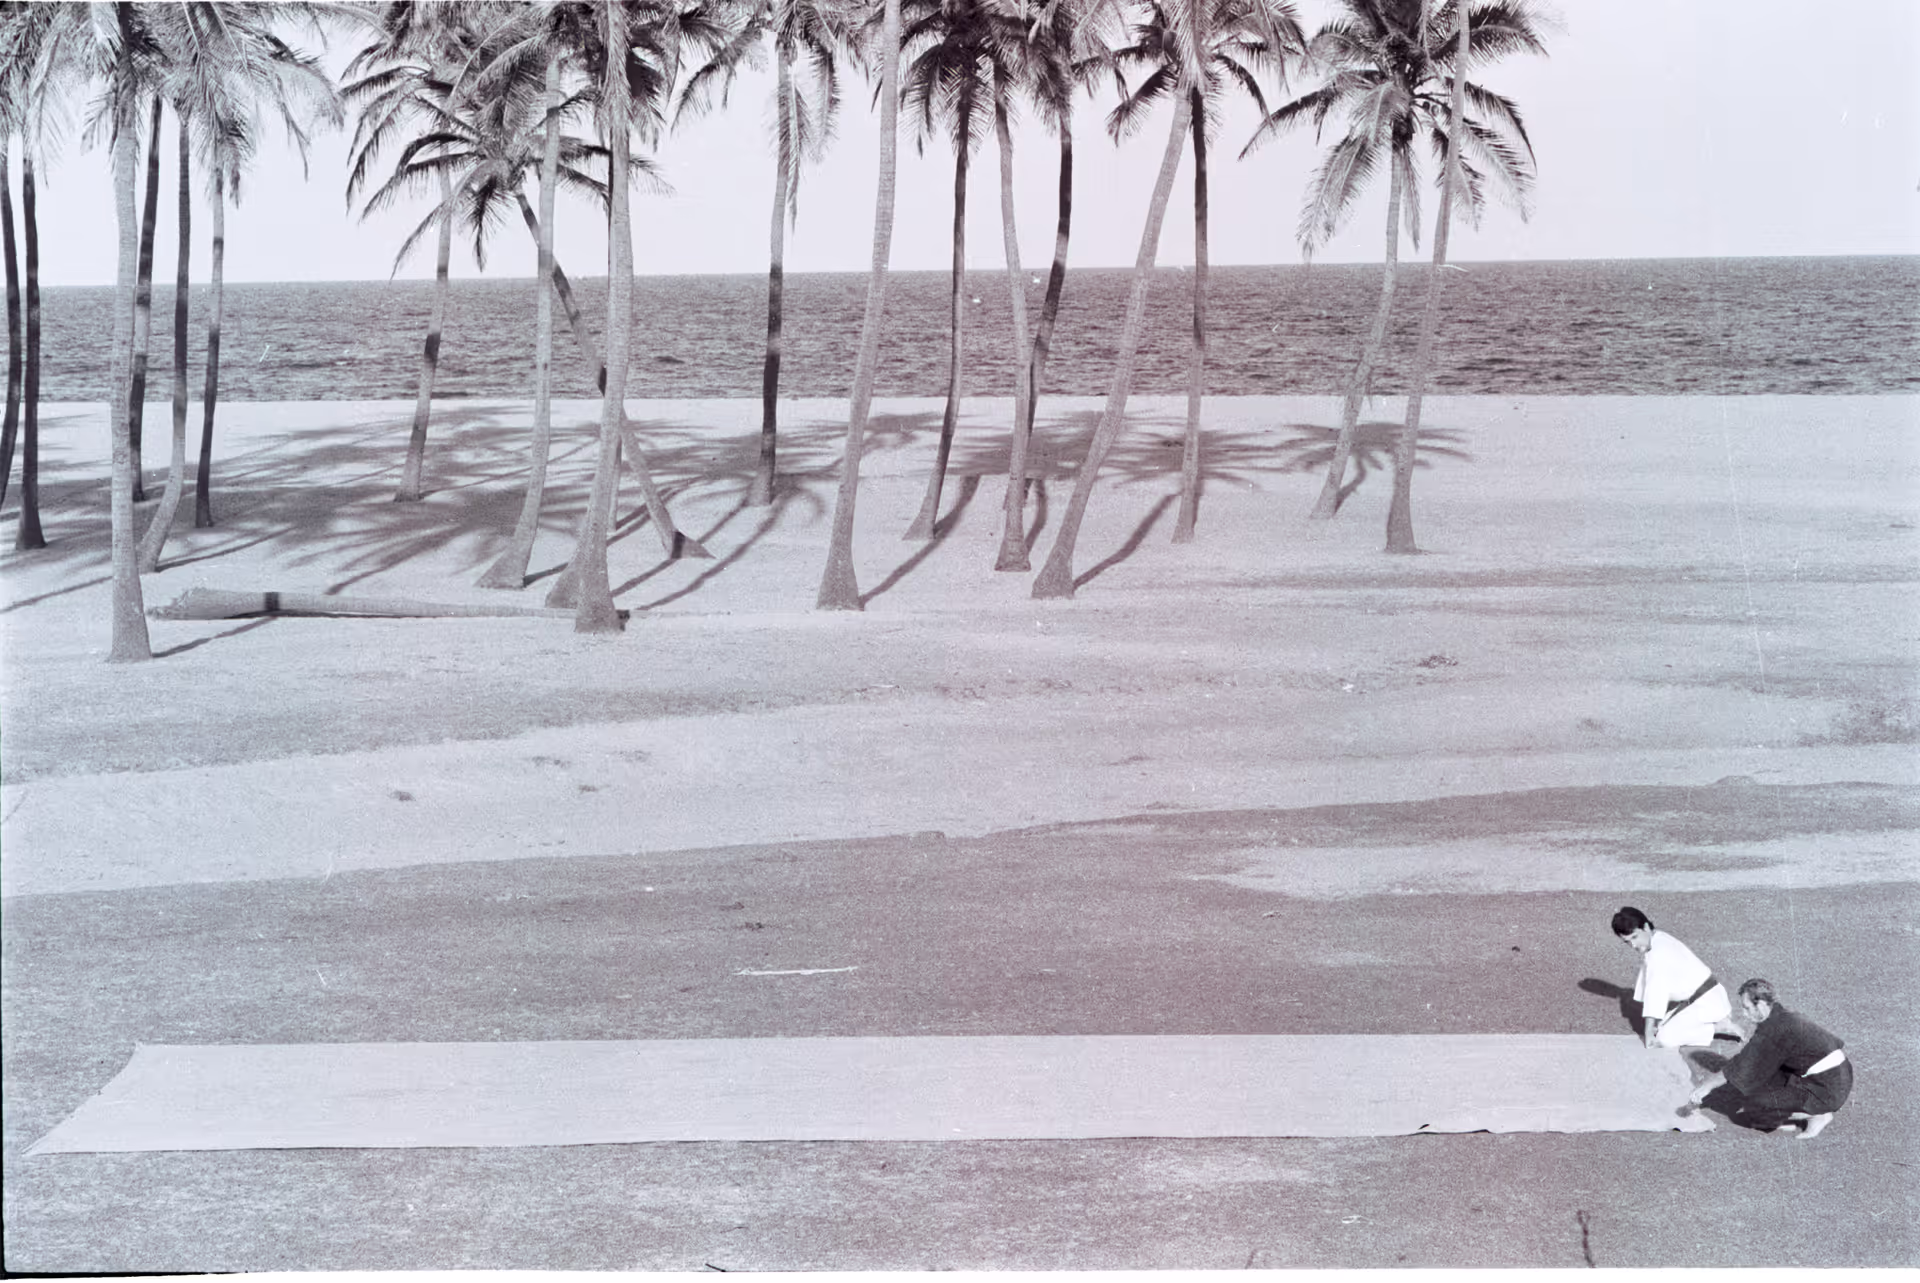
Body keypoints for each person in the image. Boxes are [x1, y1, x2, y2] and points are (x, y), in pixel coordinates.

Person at [1687, 978, 1852, 1139]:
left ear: (1761, 1004)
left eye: (1747, 1008)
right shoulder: (1783, 1016)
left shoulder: (1773, 1029)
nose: (1744, 1014)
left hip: (1829, 1089)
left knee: (1756, 1105)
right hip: (1840, 1075)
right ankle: (1802, 1108)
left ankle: (1818, 1114)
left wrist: (1706, 1087)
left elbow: (1741, 1064)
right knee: (1764, 1074)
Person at [1611, 906, 1742, 1048]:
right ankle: (1716, 1020)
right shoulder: (1658, 938)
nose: (1633, 945)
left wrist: (1648, 1033)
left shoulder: (1658, 953)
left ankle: (1718, 1027)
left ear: (1646, 927)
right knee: (1661, 1027)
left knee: (1664, 1038)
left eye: (1635, 937)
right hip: (1710, 997)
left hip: (1707, 1002)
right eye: (1627, 941)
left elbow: (1655, 992)